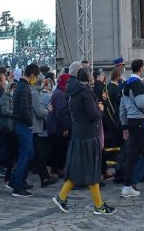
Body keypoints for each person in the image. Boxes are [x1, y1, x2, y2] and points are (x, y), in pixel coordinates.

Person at [52, 66, 115, 215]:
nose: (93, 77)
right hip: (88, 135)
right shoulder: (85, 93)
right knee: (92, 170)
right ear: (87, 77)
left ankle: (62, 197)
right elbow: (93, 115)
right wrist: (100, 108)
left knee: (77, 169)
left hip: (79, 134)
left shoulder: (74, 91)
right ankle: (99, 206)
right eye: (91, 75)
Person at [118, 59, 144, 198]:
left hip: (131, 122)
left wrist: (124, 125)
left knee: (131, 156)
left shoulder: (126, 84)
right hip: (141, 122)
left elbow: (122, 108)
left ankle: (127, 187)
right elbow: (141, 103)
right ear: (141, 69)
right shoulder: (138, 83)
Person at [8, 63, 37, 197]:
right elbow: (24, 109)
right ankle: (18, 186)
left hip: (21, 124)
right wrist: (30, 122)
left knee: (28, 154)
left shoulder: (21, 86)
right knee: (25, 156)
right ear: (32, 74)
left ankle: (16, 181)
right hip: (23, 125)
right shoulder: (24, 88)